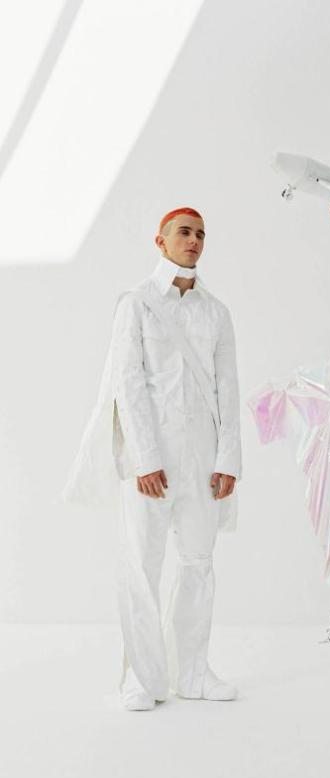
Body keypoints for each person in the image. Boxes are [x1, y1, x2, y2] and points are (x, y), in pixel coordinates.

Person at [67, 207, 241, 711]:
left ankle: (194, 672)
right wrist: (144, 459)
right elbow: (128, 383)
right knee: (141, 565)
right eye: (184, 232)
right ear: (160, 241)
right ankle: (141, 679)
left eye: (201, 234)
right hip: (151, 457)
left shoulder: (216, 312)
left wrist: (228, 459)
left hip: (202, 458)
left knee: (199, 562)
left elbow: (228, 388)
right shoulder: (136, 304)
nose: (194, 240)